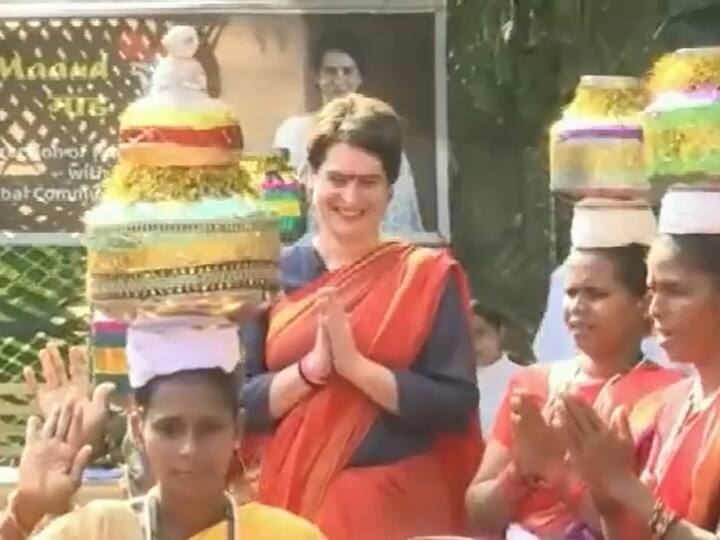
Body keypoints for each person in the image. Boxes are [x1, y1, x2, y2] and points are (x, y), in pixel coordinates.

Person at [243, 93, 481, 540]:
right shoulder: (269, 275)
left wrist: (356, 368)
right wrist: (310, 371)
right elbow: (239, 404)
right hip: (286, 514)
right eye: (337, 179)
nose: (351, 197)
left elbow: (454, 405)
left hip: (397, 510)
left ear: (391, 189)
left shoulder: (425, 276)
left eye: (368, 182)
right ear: (309, 179)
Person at [465, 199, 683, 539]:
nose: (577, 307)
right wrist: (520, 472)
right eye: (571, 293)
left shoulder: (671, 396)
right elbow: (478, 515)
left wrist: (558, 472)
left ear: (643, 305)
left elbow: (648, 528)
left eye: (595, 294)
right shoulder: (532, 385)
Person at [2, 318, 325, 539]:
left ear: (237, 430)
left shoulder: (287, 535)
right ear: (138, 430)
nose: (189, 448)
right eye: (169, 429)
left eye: (209, 428)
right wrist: (27, 508)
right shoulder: (100, 529)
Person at [557, 189, 720, 539]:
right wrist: (607, 497)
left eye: (676, 291)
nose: (654, 310)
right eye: (651, 291)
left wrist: (626, 487)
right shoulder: (671, 406)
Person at [273, 34, 426, 236]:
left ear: (359, 78)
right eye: (330, 71)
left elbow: (400, 212)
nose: (339, 80)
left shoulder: (381, 136)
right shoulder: (292, 132)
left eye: (347, 71)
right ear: (317, 77)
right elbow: (277, 200)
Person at [471, 301, 522, 436]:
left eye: (480, 332)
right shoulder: (451, 381)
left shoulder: (522, 379)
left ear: (500, 333)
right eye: (465, 335)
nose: (473, 342)